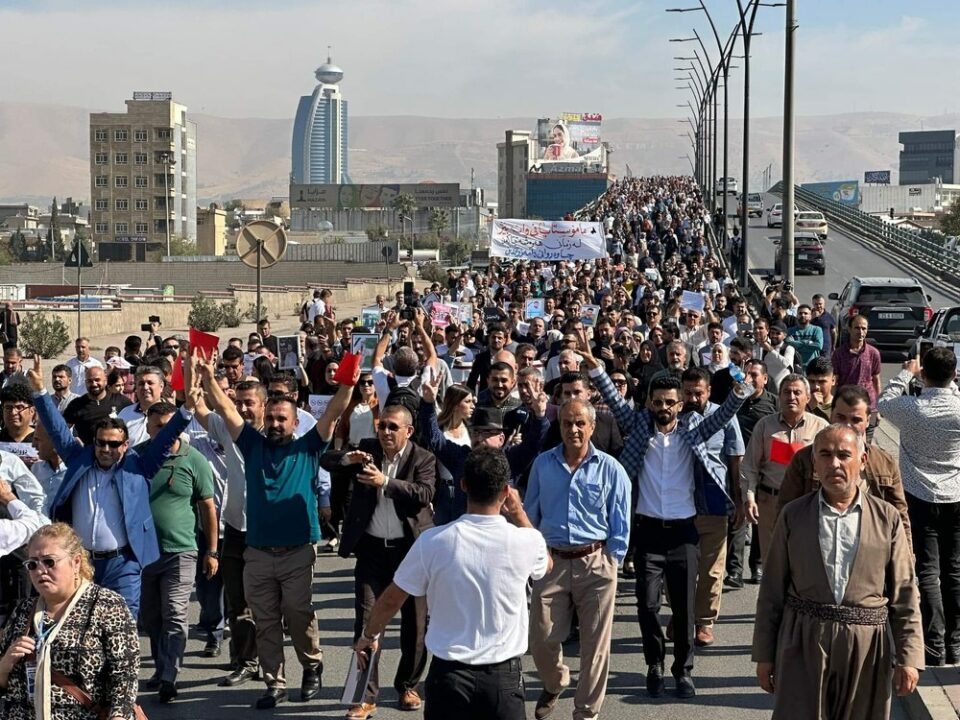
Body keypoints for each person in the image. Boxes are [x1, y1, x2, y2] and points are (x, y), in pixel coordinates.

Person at [584, 347, 749, 698]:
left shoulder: (692, 429)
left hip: (684, 534)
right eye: (657, 402)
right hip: (646, 532)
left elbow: (721, 418)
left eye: (670, 403)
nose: (663, 408)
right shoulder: (639, 426)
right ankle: (654, 665)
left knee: (685, 608)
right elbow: (615, 401)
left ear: (680, 405)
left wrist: (738, 387)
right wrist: (596, 366)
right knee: (647, 606)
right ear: (650, 403)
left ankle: (683, 671)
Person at [195, 353, 356, 709]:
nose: (274, 423)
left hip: (297, 552)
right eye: (270, 417)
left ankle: (312, 665)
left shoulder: (310, 447)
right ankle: (275, 683)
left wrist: (348, 381)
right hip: (257, 553)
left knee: (298, 614)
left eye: (282, 419)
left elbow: (335, 410)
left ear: (295, 422)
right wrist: (208, 377)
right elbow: (225, 408)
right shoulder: (252, 446)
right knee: (265, 621)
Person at [353, 447, 548, 720]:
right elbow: (546, 565)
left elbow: (391, 599)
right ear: (506, 491)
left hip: (448, 675)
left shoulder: (433, 541)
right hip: (503, 678)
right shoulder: (528, 541)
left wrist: (368, 635)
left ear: (464, 485)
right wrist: (519, 515)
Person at [752, 425, 923, 718]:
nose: (835, 464)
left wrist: (909, 657)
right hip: (804, 640)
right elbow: (772, 590)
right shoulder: (793, 515)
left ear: (863, 460)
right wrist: (765, 655)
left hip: (868, 647)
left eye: (844, 455)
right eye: (825, 455)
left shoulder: (887, 518)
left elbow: (905, 593)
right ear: (814, 462)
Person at [28, 354, 193, 619]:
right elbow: (58, 430)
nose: (105, 449)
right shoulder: (79, 459)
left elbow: (164, 441)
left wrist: (186, 411)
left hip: (122, 563)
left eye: (113, 444)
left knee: (123, 624)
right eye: (101, 443)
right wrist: (40, 392)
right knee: (80, 623)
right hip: (80, 563)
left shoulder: (139, 466)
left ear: (125, 445)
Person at [324, 404, 436, 718]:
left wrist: (384, 483)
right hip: (372, 552)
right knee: (367, 622)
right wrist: (348, 459)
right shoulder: (368, 450)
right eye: (382, 426)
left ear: (408, 431)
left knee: (416, 625)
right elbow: (327, 460)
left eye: (393, 427)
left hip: (411, 552)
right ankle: (364, 696)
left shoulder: (422, 458)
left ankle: (407, 684)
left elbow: (424, 493)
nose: (385, 433)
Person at [524, 398, 630, 720]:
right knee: (540, 638)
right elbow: (531, 512)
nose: (574, 429)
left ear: (592, 427)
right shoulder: (542, 465)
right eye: (568, 422)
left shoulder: (611, 469)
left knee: (595, 647)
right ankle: (555, 681)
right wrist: (535, 555)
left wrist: (613, 560)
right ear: (560, 425)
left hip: (595, 563)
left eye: (580, 423)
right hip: (552, 562)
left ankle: (586, 712)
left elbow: (620, 520)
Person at [0, 523, 140, 720]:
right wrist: (5, 663)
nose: (40, 570)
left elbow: (125, 677)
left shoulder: (106, 605)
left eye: (49, 562)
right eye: (32, 564)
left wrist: (118, 716)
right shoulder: (23, 611)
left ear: (75, 562)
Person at [878, 349, 960, 666]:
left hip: (919, 494)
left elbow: (883, 402)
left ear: (924, 374)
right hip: (955, 496)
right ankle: (955, 643)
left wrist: (905, 373)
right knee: (953, 571)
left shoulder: (913, 409)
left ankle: (934, 644)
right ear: (953, 374)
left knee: (927, 570)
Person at [137, 400, 218, 703]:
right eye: (159, 426)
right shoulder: (139, 457)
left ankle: (170, 675)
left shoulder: (193, 459)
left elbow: (208, 507)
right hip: (145, 554)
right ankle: (161, 668)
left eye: (171, 425)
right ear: (147, 427)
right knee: (151, 618)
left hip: (181, 551)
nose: (166, 431)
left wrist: (212, 551)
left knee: (174, 614)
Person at [192, 379, 263, 687]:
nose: (244, 409)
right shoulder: (226, 430)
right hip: (234, 530)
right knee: (237, 602)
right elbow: (202, 409)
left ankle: (270, 661)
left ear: (263, 405)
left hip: (267, 533)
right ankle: (244, 660)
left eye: (250, 403)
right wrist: (196, 376)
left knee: (268, 604)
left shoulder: (277, 435)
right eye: (240, 403)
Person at [778, 384, 911, 544]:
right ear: (831, 415)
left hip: (870, 552)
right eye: (841, 417)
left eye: (856, 420)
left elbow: (900, 519)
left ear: (868, 421)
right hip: (815, 548)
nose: (847, 425)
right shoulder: (804, 459)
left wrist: (906, 561)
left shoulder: (885, 463)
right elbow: (785, 514)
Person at [740, 374, 829, 570]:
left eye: (797, 392)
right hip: (770, 503)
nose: (792, 397)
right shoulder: (765, 426)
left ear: (807, 396)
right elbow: (750, 466)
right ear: (779, 396)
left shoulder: (821, 428)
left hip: (806, 503)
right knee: (773, 565)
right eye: (786, 392)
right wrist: (749, 498)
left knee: (803, 564)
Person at [832, 314, 882, 444]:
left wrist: (879, 408)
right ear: (849, 329)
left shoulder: (873, 353)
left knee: (866, 445)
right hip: (846, 408)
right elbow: (834, 382)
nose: (861, 332)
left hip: (868, 406)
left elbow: (876, 380)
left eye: (864, 328)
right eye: (857, 328)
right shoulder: (839, 354)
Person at [62, 366, 132, 447]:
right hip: (88, 455)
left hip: (115, 453)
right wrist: (73, 441)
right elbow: (62, 429)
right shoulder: (77, 404)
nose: (94, 384)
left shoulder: (121, 401)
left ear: (105, 381)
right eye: (90, 381)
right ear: (85, 383)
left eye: (97, 380)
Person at [115, 365, 166, 445]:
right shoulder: (125, 414)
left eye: (150, 383)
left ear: (161, 386)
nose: (145, 387)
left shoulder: (173, 415)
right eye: (141, 383)